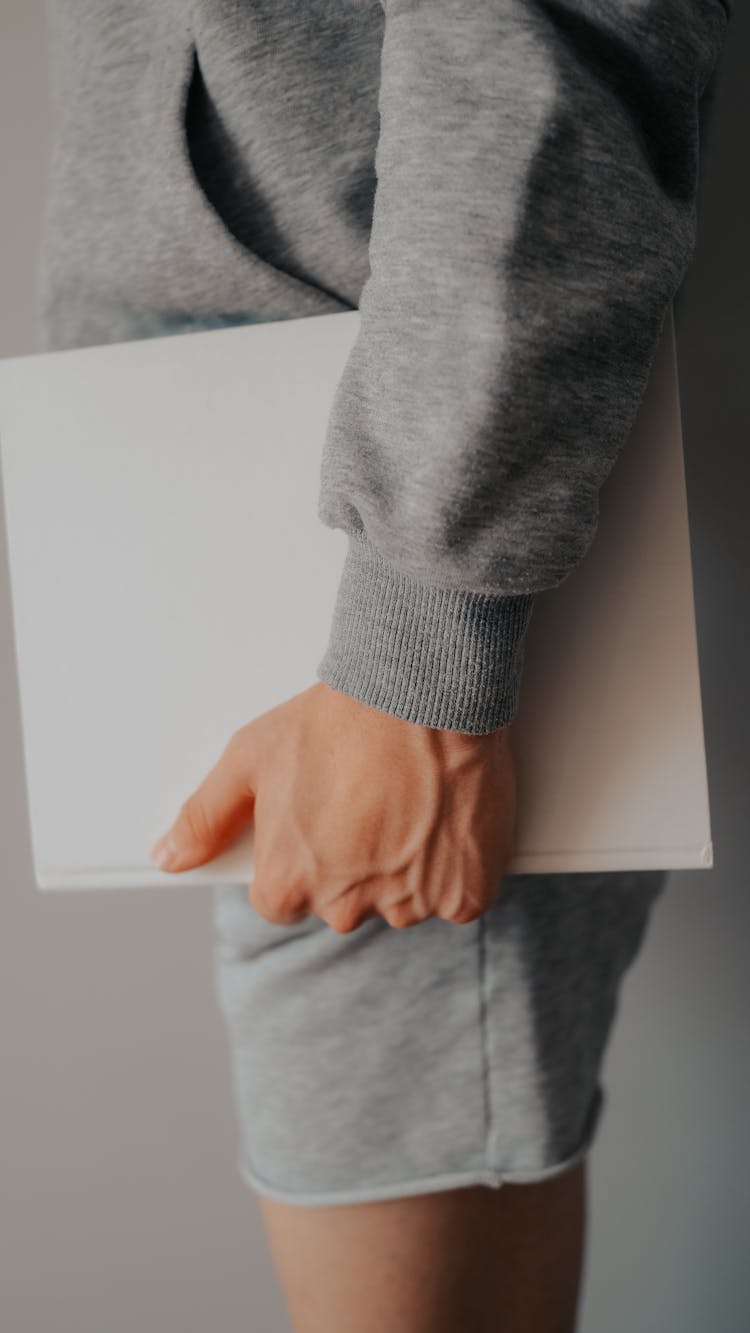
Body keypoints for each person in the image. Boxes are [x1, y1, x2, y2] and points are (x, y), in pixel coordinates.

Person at [37, 2, 732, 1330]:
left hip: (412, 540)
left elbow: (545, 36)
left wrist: (418, 652)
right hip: (295, 495)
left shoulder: (414, 635)